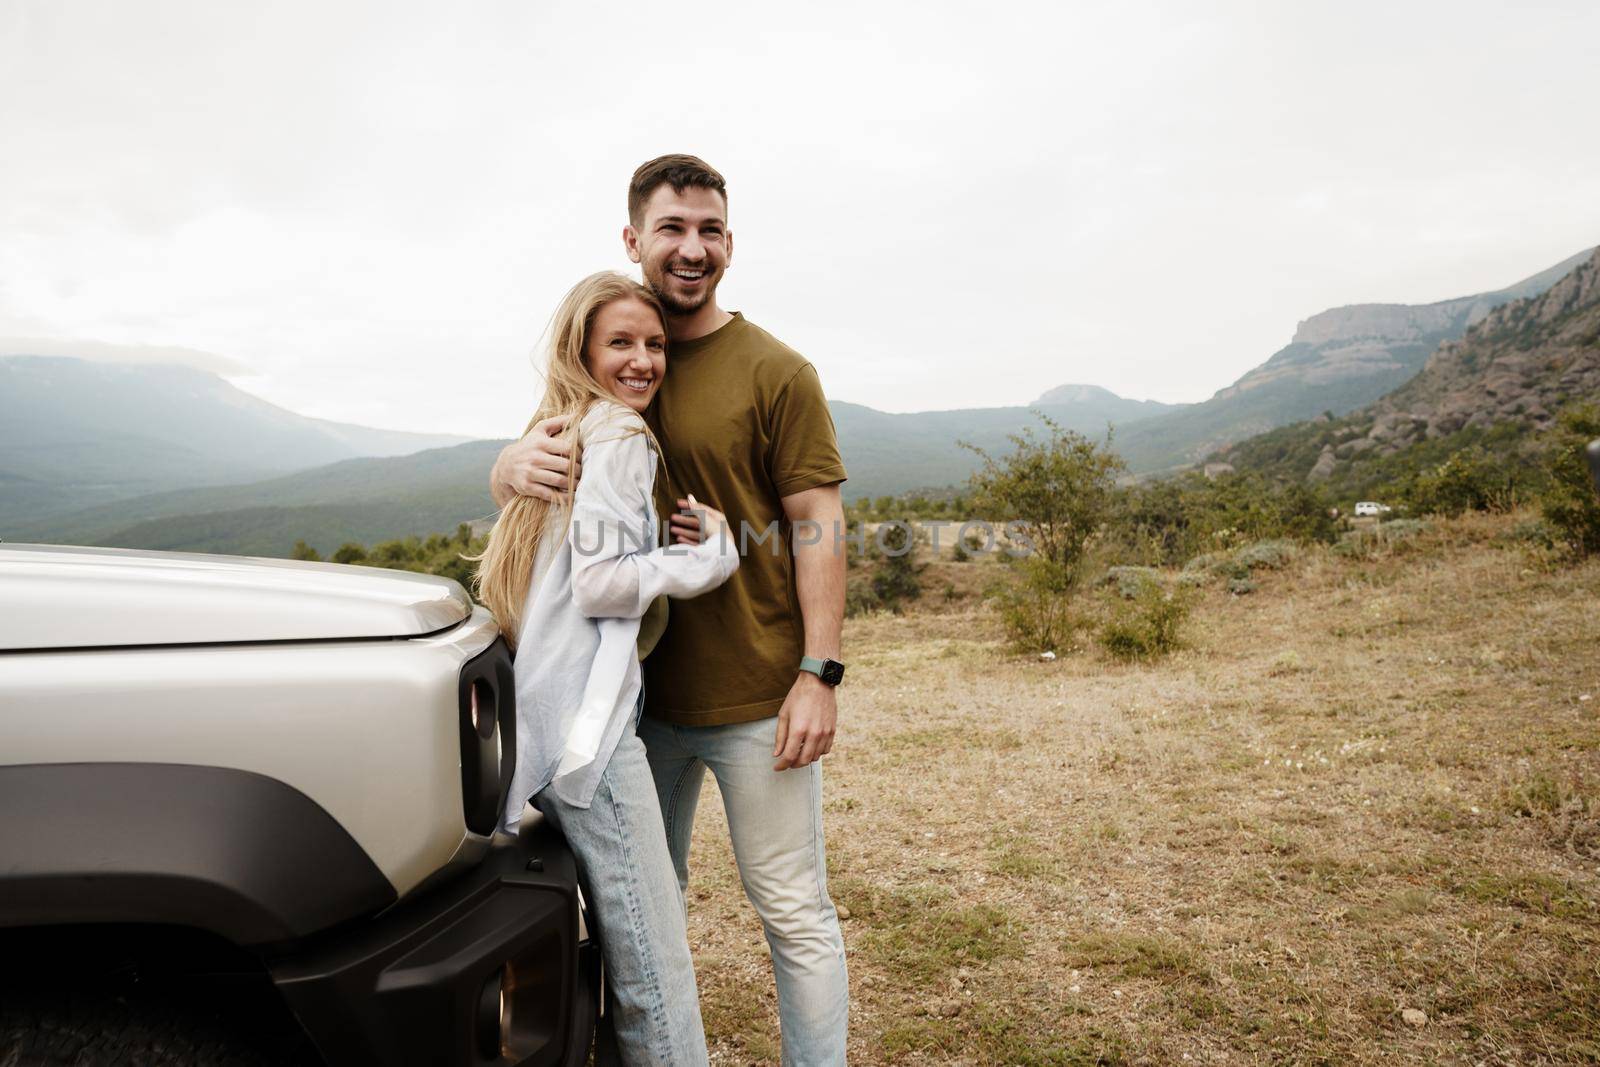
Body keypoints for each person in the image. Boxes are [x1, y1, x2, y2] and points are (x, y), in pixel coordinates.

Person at [490, 156, 851, 1066]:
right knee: (648, 913)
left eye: (711, 231)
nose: (693, 249)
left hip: (757, 696)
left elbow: (818, 524)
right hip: (636, 709)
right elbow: (555, 473)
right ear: (634, 240)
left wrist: (819, 672)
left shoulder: (777, 370)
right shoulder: (616, 352)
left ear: (729, 243)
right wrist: (502, 468)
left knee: (792, 909)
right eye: (673, 229)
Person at [474, 270, 738, 1066]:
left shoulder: (567, 431)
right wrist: (709, 560)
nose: (643, 359)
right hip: (587, 738)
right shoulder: (619, 436)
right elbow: (602, 582)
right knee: (657, 964)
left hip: (542, 729)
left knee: (624, 944)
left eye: (654, 344)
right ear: (582, 349)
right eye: (620, 342)